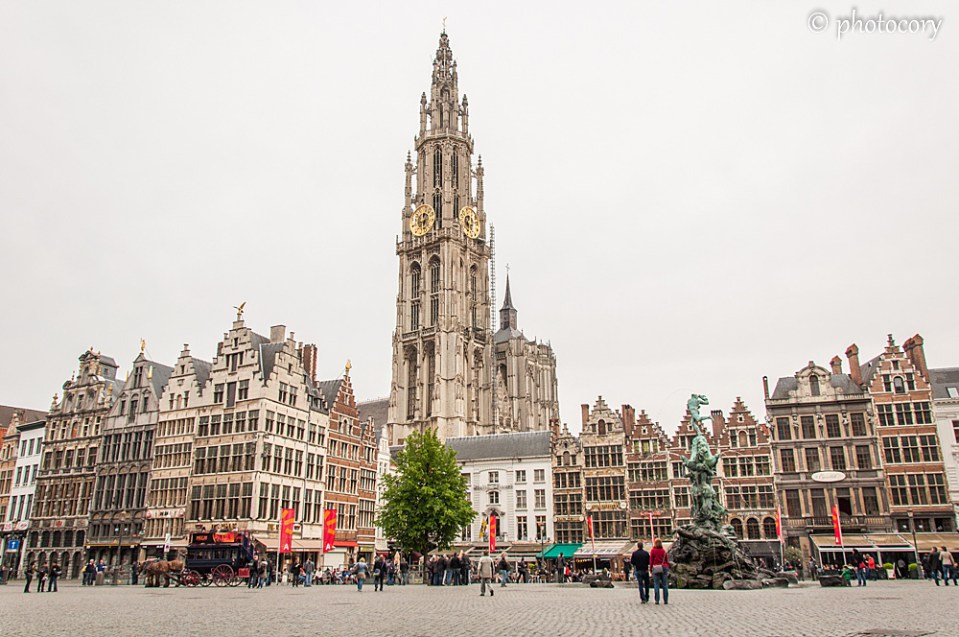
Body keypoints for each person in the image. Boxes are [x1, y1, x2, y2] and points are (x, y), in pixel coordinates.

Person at [650, 538, 669, 605]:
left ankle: (657, 600)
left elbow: (651, 561)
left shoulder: (653, 551)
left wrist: (651, 569)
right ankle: (666, 600)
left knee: (656, 584)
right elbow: (667, 560)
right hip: (664, 567)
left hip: (656, 567)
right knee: (665, 585)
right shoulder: (664, 551)